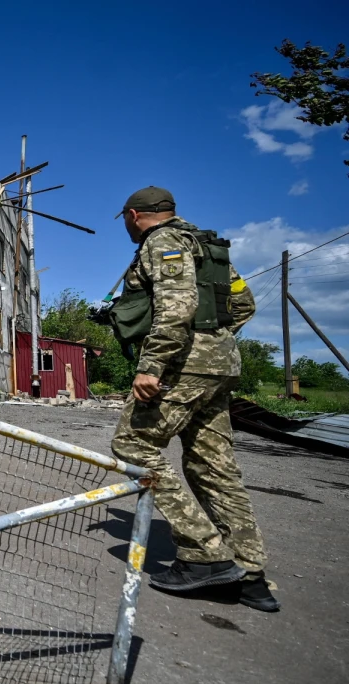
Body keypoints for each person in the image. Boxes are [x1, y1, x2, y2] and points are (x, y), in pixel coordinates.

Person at [108, 186, 279, 612]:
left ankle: (205, 554)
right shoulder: (210, 247)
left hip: (182, 366)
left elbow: (176, 308)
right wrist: (215, 343)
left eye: (127, 220)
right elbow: (243, 304)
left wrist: (152, 366)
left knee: (133, 444)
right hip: (220, 366)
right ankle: (249, 572)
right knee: (212, 464)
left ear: (133, 215)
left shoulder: (162, 242)